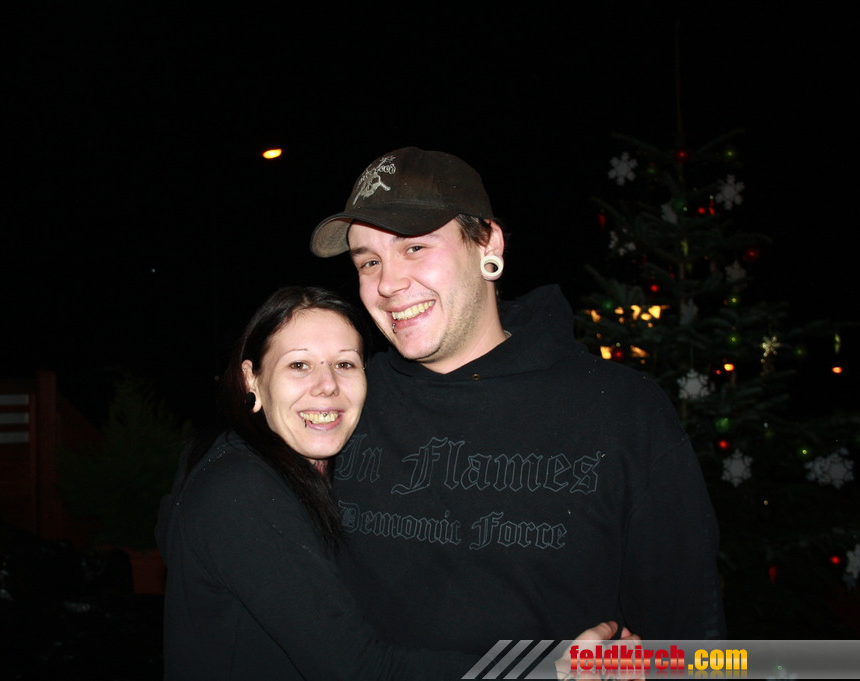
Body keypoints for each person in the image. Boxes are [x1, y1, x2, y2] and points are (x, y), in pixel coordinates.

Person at [309, 147, 727, 654]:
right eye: (369, 261)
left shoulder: (622, 413)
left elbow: (690, 636)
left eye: (414, 247)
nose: (388, 284)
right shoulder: (340, 405)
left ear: (487, 242)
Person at [155, 286, 482, 680]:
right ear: (252, 379)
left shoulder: (323, 476)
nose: (327, 385)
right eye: (299, 365)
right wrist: (541, 668)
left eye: (344, 364)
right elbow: (359, 670)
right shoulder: (240, 491)